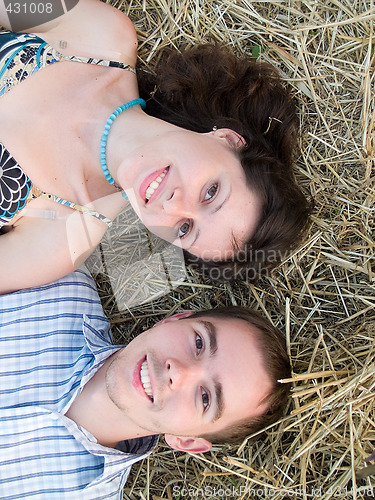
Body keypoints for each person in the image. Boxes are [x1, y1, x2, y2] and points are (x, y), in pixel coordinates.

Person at [0, 0, 312, 294]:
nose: (174, 207)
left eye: (185, 229)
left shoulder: (62, 241)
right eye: (211, 192)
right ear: (227, 139)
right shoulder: (102, 37)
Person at [0, 266, 291, 499]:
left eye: (205, 398)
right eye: (199, 343)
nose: (179, 371)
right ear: (173, 319)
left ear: (186, 441)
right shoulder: (58, 280)